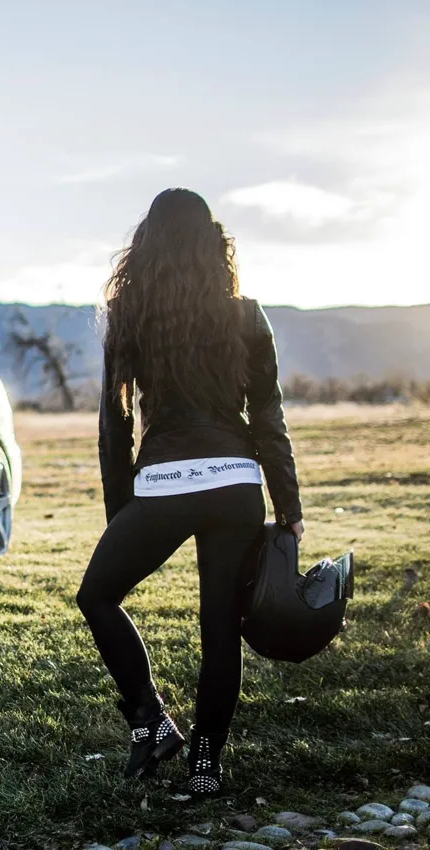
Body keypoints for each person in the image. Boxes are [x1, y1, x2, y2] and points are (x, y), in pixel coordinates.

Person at [75, 188, 304, 796]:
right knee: (218, 629)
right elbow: (268, 417)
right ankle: (206, 766)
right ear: (213, 243)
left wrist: (121, 515)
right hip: (235, 485)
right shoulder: (247, 314)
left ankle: (151, 722)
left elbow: (114, 424)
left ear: (147, 246)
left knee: (97, 595)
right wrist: (289, 506)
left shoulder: (130, 314)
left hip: (164, 486)